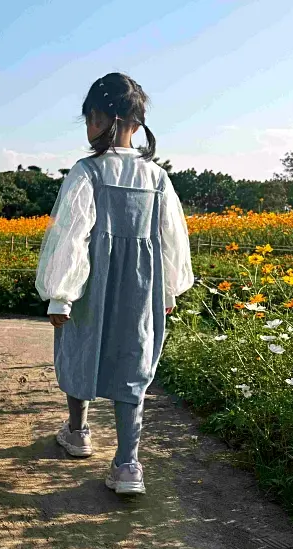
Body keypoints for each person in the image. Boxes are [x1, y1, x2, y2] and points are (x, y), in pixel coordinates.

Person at [35, 72, 194, 495]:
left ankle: (79, 430)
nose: (90, 126)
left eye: (92, 117)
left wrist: (60, 293)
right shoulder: (157, 177)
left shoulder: (87, 172)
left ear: (105, 120)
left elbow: (72, 234)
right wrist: (168, 290)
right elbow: (170, 239)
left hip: (91, 283)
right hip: (140, 291)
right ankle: (127, 464)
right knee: (133, 361)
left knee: (80, 348)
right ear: (137, 126)